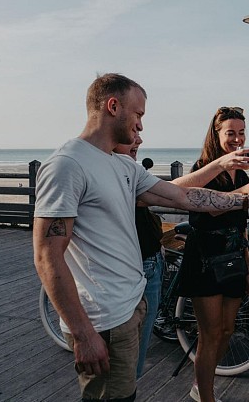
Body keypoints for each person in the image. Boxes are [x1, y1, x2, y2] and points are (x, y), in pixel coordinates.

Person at [33, 73, 249, 401]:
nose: (141, 126)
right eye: (138, 115)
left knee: (128, 389)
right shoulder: (67, 165)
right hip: (101, 317)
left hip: (132, 304)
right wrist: (83, 333)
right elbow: (47, 255)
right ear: (112, 106)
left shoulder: (122, 165)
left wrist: (246, 199)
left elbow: (184, 197)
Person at [174, 106, 249, 402]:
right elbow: (212, 206)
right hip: (205, 258)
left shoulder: (240, 173)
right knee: (209, 334)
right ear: (216, 133)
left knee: (227, 330)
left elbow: (244, 225)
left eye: (241, 133)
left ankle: (201, 385)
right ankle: (206, 396)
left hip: (234, 257)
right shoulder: (205, 167)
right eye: (230, 133)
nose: (237, 139)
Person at [113, 133, 164, 379]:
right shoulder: (118, 174)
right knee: (129, 361)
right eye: (132, 134)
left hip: (151, 261)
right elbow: (175, 193)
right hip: (137, 267)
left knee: (136, 355)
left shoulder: (130, 170)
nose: (139, 140)